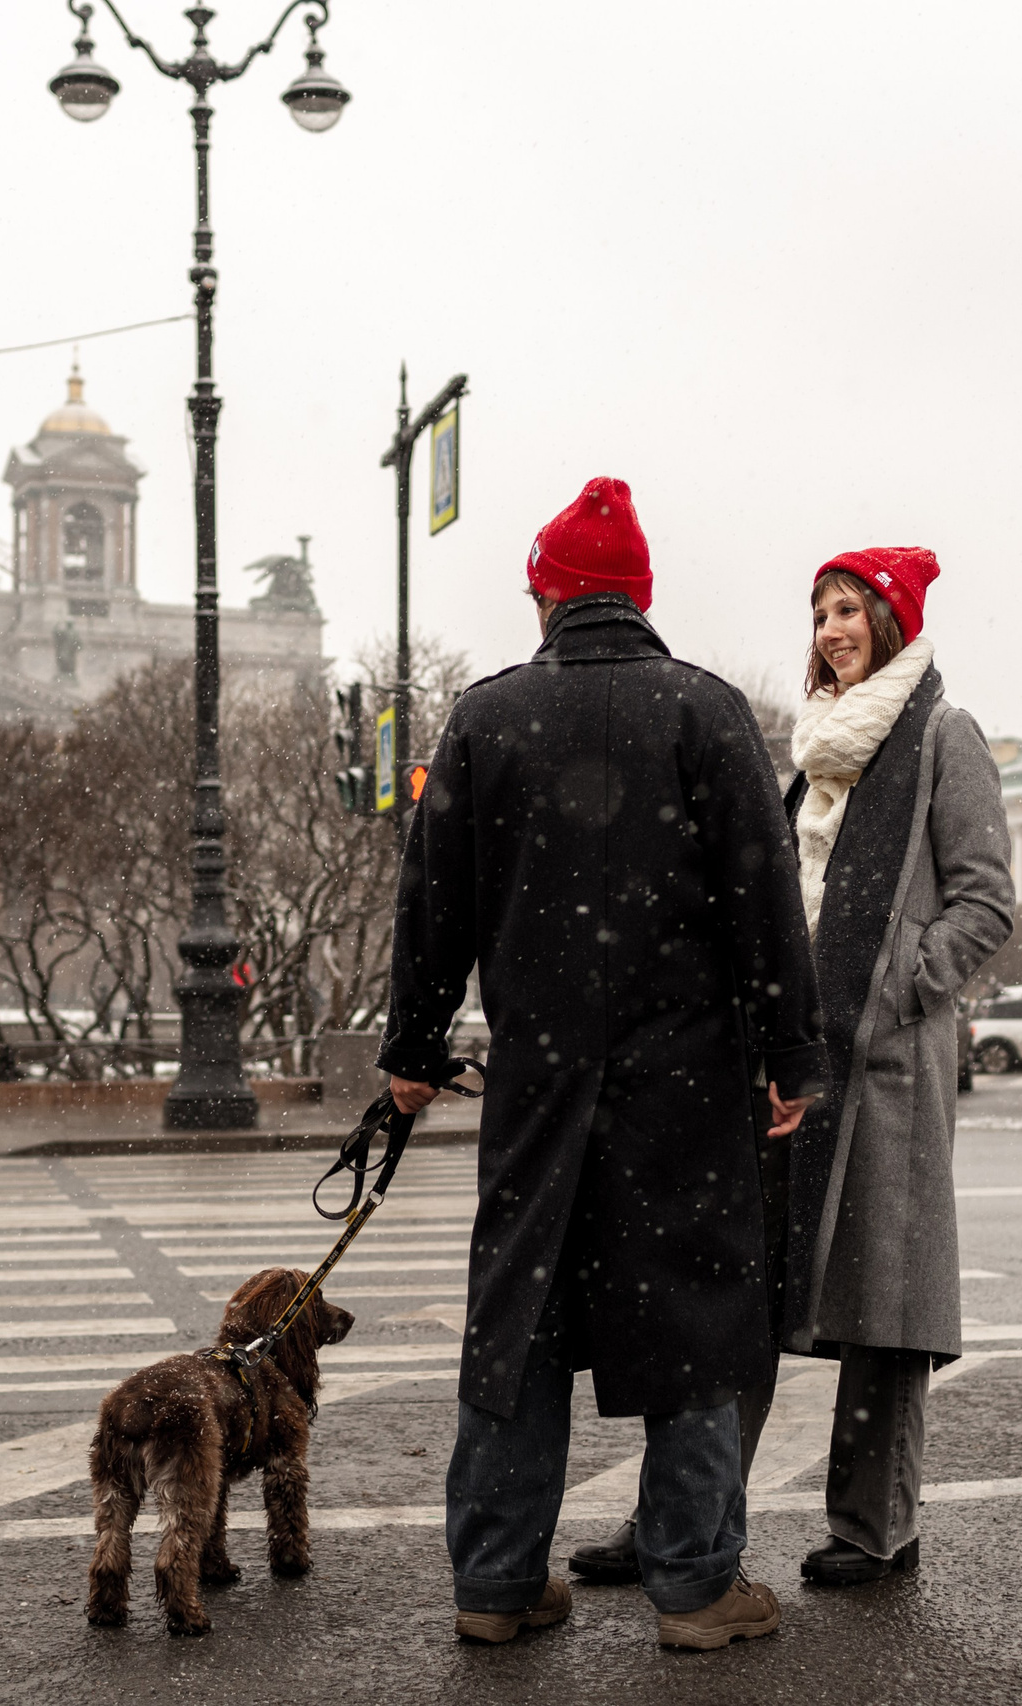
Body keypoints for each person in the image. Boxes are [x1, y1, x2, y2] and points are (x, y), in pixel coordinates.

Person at [380, 477, 827, 1651]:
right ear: (638, 597)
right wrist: (789, 1051)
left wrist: (412, 1047)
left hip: (538, 1079)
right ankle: (693, 1588)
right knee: (693, 1321)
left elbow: (432, 906)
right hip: (682, 1081)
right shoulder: (704, 711)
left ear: (546, 596)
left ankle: (496, 1578)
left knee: (516, 1324)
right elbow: (764, 900)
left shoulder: (486, 717)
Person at [779, 547, 1013, 1585]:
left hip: (886, 1063)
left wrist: (910, 976)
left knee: (886, 1297)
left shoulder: (940, 735)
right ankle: (681, 1518)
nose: (831, 629)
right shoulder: (817, 750)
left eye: (848, 610)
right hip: (796, 1055)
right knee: (752, 1284)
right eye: (820, 612)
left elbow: (986, 899)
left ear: (889, 619)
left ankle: (877, 1528)